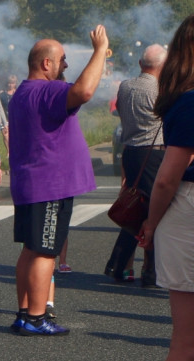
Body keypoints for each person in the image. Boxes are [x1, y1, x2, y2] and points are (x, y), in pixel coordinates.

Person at [8, 27, 108, 336]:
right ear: (46, 64)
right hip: (50, 185)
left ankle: (26, 313)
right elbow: (84, 91)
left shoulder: (23, 92)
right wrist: (100, 50)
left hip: (32, 182)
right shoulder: (47, 91)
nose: (65, 65)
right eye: (62, 60)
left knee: (31, 249)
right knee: (46, 251)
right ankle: (37, 317)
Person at [136, 20, 194, 361]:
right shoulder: (191, 101)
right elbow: (167, 176)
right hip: (187, 212)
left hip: (185, 214)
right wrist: (151, 224)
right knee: (187, 345)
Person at [105, 44, 167, 285]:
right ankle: (150, 270)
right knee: (155, 212)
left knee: (134, 209)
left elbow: (120, 112)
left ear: (141, 64)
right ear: (162, 66)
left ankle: (118, 264)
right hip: (155, 154)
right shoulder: (163, 89)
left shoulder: (125, 86)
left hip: (131, 152)